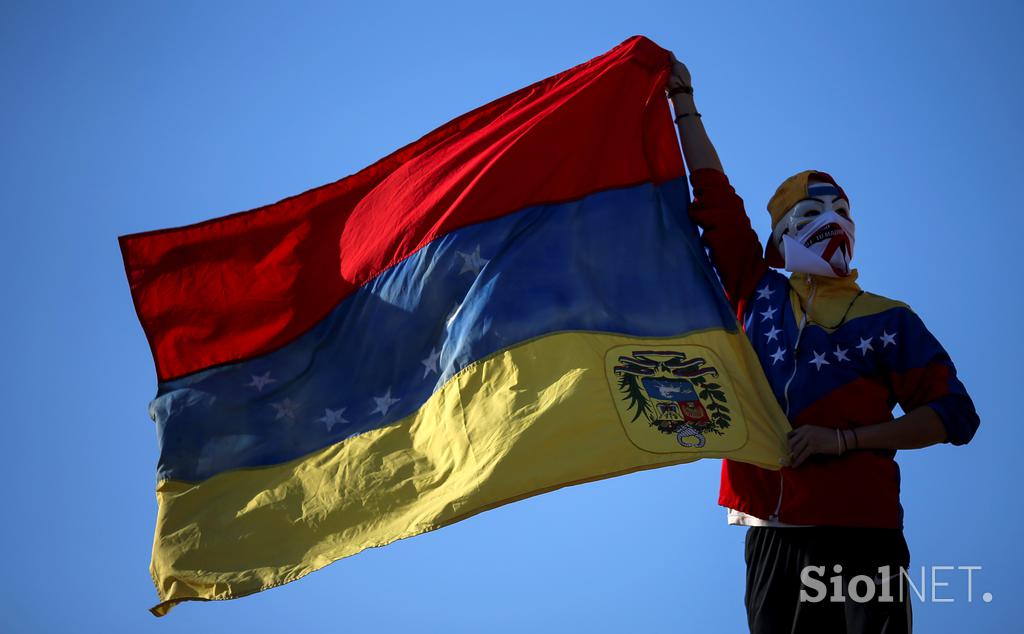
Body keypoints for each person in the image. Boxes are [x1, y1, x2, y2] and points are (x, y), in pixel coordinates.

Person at [664, 53, 980, 633]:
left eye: (842, 210)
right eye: (812, 212)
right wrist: (683, 104)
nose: (833, 221)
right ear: (779, 240)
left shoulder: (889, 318)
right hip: (770, 535)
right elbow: (714, 201)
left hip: (864, 532)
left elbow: (954, 415)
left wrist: (845, 440)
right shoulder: (755, 293)